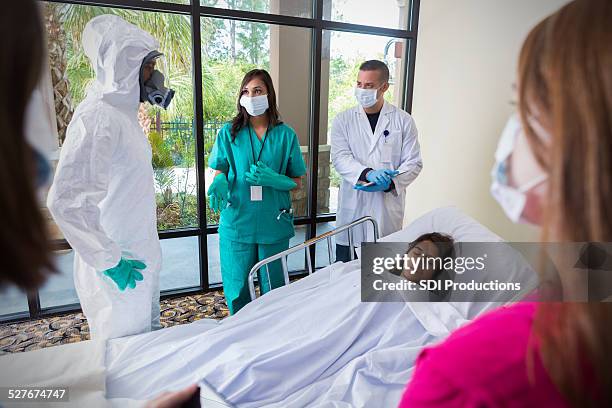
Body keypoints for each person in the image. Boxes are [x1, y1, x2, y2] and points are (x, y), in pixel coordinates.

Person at [400, 1, 612, 406]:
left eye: (523, 111)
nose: (511, 136)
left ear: (581, 145)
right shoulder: (558, 300)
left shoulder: (461, 377)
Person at [47, 15, 175, 341]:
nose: (155, 76)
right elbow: (66, 202)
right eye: (148, 67)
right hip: (117, 270)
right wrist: (110, 261)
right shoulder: (97, 117)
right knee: (120, 361)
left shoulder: (124, 117)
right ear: (124, 65)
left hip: (138, 258)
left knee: (145, 348)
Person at [207, 69, 306, 314]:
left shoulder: (285, 135)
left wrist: (276, 180)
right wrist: (220, 179)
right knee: (237, 287)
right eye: (246, 91)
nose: (251, 96)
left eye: (258, 91)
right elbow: (220, 168)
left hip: (273, 220)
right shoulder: (229, 133)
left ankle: (272, 335)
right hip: (238, 220)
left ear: (269, 95)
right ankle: (240, 335)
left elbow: (297, 180)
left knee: (274, 288)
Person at [331, 60, 422, 262]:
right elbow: (339, 158)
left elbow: (413, 162)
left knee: (382, 278)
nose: (362, 90)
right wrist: (368, 174)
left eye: (369, 85)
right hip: (352, 210)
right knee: (344, 278)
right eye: (359, 84)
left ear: (384, 87)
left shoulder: (403, 120)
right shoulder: (343, 120)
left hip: (386, 211)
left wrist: (390, 182)